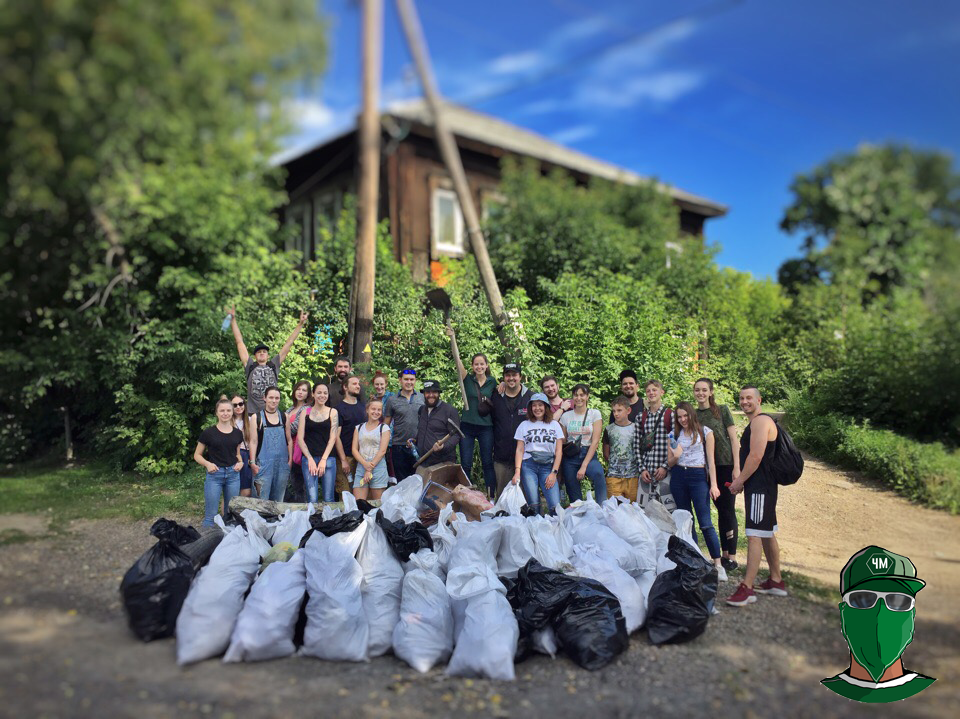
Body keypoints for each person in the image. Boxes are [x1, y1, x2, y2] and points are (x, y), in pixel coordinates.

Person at [820, 546, 935, 702]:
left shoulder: (936, 695)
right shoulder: (816, 693)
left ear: (912, 615)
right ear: (843, 613)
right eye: (863, 599)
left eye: (898, 600)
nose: (880, 613)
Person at [726, 385, 787, 607]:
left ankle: (747, 587)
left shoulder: (761, 421)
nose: (744, 401)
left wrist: (739, 480)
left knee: (754, 534)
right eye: (741, 398)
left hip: (761, 488)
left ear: (759, 399)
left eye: (749, 397)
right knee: (766, 532)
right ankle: (776, 580)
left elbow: (756, 455)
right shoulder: (757, 421)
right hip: (762, 487)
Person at [667, 401, 727, 582]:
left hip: (698, 476)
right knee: (687, 521)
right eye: (679, 417)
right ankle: (697, 560)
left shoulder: (705, 432)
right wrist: (676, 455)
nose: (683, 419)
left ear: (692, 415)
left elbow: (711, 461)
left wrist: (714, 485)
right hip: (678, 477)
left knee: (705, 522)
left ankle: (718, 564)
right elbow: (669, 462)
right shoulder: (673, 434)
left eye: (686, 415)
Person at [694, 377, 742, 572]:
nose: (701, 393)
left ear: (711, 392)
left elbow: (733, 438)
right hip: (705, 468)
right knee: (714, 508)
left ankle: (730, 555)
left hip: (726, 465)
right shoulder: (694, 414)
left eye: (704, 390)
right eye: (697, 390)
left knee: (727, 510)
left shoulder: (722, 410)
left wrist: (737, 467)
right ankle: (719, 555)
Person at [226, 305, 308, 415]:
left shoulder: (273, 364)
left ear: (268, 355)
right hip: (252, 413)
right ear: (255, 356)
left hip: (271, 413)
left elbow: (289, 343)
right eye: (259, 352)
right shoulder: (250, 365)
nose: (261, 353)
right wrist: (233, 320)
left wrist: (300, 324)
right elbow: (239, 342)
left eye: (264, 351)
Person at [451, 348, 496, 495]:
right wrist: (453, 338)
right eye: (476, 364)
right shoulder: (467, 379)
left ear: (487, 365)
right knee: (466, 463)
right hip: (468, 426)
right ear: (472, 366)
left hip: (486, 427)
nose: (479, 367)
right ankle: (465, 494)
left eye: (482, 364)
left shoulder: (493, 382)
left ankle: (491, 495)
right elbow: (457, 361)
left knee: (487, 463)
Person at [193, 396, 245, 527]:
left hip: (233, 475)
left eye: (228, 410)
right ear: (216, 413)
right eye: (222, 411)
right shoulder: (208, 433)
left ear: (232, 412)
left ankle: (228, 543)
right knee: (211, 515)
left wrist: (241, 462)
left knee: (230, 514)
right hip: (214, 475)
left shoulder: (238, 434)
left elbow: (237, 454)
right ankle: (208, 545)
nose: (225, 413)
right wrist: (208, 464)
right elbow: (197, 455)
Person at [512, 393, 563, 515]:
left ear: (546, 407)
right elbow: (519, 450)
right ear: (530, 408)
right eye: (534, 405)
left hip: (548, 467)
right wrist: (517, 472)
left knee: (555, 506)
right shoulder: (524, 425)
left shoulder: (554, 425)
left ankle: (554, 531)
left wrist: (554, 472)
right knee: (534, 505)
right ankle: (537, 530)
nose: (537, 408)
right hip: (529, 466)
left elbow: (559, 451)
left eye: (540, 405)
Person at [490, 363, 532, 498]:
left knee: (524, 500)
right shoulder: (496, 395)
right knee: (502, 499)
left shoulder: (530, 397)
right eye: (508, 375)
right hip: (501, 457)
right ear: (504, 377)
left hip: (526, 459)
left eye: (514, 375)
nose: (511, 378)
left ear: (520, 377)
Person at [558, 384, 606, 502]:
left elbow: (595, 442)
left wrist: (584, 466)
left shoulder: (594, 414)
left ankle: (602, 507)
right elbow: (563, 440)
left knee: (598, 474)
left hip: (588, 453)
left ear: (587, 396)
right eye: (576, 395)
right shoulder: (566, 416)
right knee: (572, 489)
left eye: (582, 395)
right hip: (570, 456)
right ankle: (579, 513)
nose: (578, 398)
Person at [632, 379, 674, 506]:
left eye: (654, 390)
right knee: (644, 512)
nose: (651, 393)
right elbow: (636, 445)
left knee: (668, 512)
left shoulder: (670, 415)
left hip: (665, 474)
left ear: (662, 392)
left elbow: (675, 444)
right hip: (647, 474)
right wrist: (642, 469)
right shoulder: (641, 417)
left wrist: (665, 467)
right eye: (648, 391)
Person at [297, 382, 340, 503]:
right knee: (312, 498)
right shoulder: (305, 413)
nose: (322, 395)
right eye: (319, 392)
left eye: (325, 393)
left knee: (328, 498)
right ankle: (312, 521)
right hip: (309, 458)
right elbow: (300, 438)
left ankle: (328, 521)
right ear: (313, 394)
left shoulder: (333, 412)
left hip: (328, 458)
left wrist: (324, 460)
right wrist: (309, 458)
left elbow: (333, 438)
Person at [247, 386, 291, 503]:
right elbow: (253, 441)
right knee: (260, 501)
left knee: (278, 501)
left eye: (277, 398)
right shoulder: (257, 417)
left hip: (282, 465)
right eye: (271, 397)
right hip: (263, 465)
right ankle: (259, 521)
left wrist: (290, 460)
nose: (274, 400)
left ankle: (276, 521)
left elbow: (289, 440)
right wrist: (252, 463)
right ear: (264, 398)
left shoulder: (284, 416)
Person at [384, 368, 424, 481]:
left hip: (419, 445)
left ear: (415, 381)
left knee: (418, 480)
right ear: (400, 380)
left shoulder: (422, 397)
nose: (409, 382)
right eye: (406, 379)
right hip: (398, 446)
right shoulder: (392, 400)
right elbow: (386, 424)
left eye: (412, 379)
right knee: (402, 481)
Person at [415, 380, 460, 468]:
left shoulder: (449, 411)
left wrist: (443, 446)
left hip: (443, 462)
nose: (431, 395)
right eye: (427, 392)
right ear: (424, 394)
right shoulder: (422, 410)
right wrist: (415, 440)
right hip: (423, 462)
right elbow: (423, 431)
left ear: (439, 393)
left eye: (434, 392)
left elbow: (456, 436)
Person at [352, 399, 390, 500]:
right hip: (361, 466)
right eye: (373, 409)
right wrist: (365, 464)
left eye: (379, 410)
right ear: (367, 410)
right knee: (359, 503)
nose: (376, 412)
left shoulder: (384, 428)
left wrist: (369, 468)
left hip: (378, 467)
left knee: (378, 504)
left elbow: (382, 451)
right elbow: (354, 449)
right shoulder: (358, 428)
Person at [334, 375, 366, 496]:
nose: (358, 386)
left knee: (361, 495)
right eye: (354, 384)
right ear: (345, 387)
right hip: (346, 457)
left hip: (363, 458)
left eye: (358, 384)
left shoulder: (364, 408)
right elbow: (336, 436)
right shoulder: (338, 409)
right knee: (345, 494)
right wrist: (343, 460)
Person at [604, 395, 640, 503]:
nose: (616, 413)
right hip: (613, 476)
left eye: (619, 410)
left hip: (633, 475)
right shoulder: (609, 429)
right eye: (614, 411)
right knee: (614, 508)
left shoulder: (636, 428)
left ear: (628, 410)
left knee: (633, 508)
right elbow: (606, 451)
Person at [285, 380, 313, 502]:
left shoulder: (306, 409)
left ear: (308, 394)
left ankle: (303, 514)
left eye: (304, 390)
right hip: (287, 450)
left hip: (299, 451)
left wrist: (279, 428)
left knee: (299, 484)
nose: (300, 392)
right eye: (298, 389)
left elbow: (293, 429)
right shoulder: (290, 409)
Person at [230, 395, 254, 497]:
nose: (238, 407)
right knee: (231, 490)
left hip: (247, 455)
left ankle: (239, 512)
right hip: (232, 455)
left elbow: (254, 441)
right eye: (235, 405)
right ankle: (226, 513)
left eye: (240, 404)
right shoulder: (228, 421)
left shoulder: (251, 420)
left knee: (246, 490)